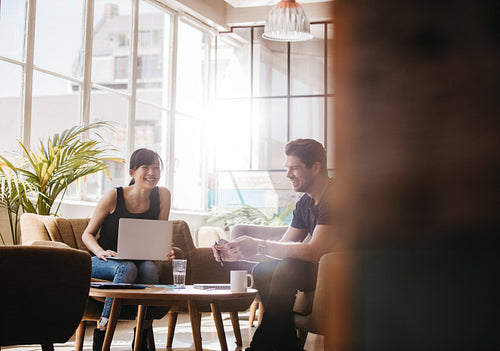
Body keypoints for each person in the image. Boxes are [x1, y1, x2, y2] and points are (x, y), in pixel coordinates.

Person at [213, 138, 335, 351]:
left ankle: (260, 346)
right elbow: (281, 248)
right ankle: (288, 345)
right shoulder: (305, 202)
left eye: (294, 168)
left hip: (336, 272)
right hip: (312, 270)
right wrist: (239, 253)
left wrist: (260, 244)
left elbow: (315, 252)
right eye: (287, 168)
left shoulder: (335, 197)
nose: (288, 175)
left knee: (290, 264)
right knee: (262, 270)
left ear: (315, 168)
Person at [82, 148, 174, 351]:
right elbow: (87, 234)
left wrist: (164, 250)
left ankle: (142, 333)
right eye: (146, 167)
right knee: (127, 267)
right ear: (132, 172)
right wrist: (100, 252)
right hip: (103, 261)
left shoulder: (163, 195)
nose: (152, 172)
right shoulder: (114, 196)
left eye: (157, 168)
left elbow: (158, 235)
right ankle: (103, 330)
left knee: (149, 268)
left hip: (138, 260)